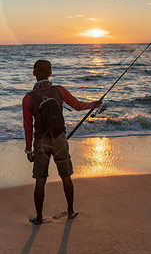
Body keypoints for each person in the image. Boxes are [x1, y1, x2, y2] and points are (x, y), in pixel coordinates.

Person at [22, 59, 102, 225]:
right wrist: (95, 104)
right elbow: (78, 106)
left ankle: (38, 218)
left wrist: (28, 150)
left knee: (40, 180)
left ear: (33, 73)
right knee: (66, 176)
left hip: (41, 143)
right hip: (59, 139)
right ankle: (71, 211)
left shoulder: (28, 99)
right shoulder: (59, 90)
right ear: (50, 73)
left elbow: (28, 126)